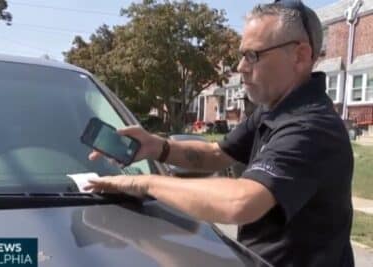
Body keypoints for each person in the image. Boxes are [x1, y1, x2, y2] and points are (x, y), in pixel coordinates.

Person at [85, 0, 354, 266]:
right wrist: (157, 147)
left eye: (253, 55)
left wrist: (144, 183)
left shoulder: (311, 127)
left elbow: (240, 202)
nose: (240, 67)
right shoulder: (273, 110)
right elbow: (217, 154)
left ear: (300, 55)